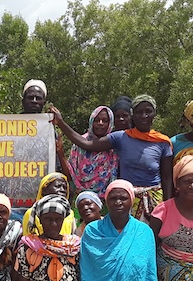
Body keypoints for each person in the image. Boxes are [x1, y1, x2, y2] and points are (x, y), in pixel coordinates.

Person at [50, 95, 173, 223]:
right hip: (126, 201)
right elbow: (87, 144)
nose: (144, 116)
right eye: (139, 112)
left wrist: (168, 206)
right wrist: (61, 123)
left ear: (154, 114)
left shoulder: (162, 142)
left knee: (152, 235)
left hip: (154, 201)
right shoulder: (121, 137)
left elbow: (167, 178)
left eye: (148, 111)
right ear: (133, 114)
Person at [67, 105, 119, 197]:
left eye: (105, 121)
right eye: (97, 120)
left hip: (106, 198)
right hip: (80, 196)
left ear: (110, 123)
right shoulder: (79, 143)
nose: (100, 123)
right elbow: (70, 169)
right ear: (91, 121)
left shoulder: (113, 146)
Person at [21, 79, 69, 176]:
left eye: (38, 98)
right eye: (30, 97)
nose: (34, 101)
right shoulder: (9, 127)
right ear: (23, 101)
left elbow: (58, 165)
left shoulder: (50, 129)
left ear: (44, 102)